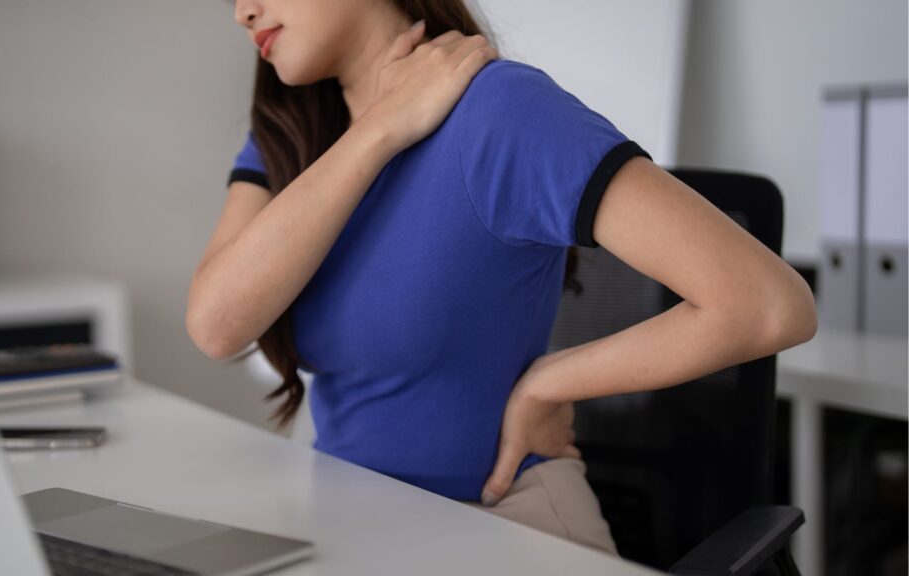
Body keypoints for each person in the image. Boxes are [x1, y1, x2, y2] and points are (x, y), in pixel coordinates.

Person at [187, 0, 818, 557]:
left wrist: (548, 382)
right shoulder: (289, 137)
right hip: (358, 527)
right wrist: (382, 127)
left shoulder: (500, 112)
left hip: (501, 525)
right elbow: (217, 326)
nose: (241, 11)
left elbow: (767, 305)